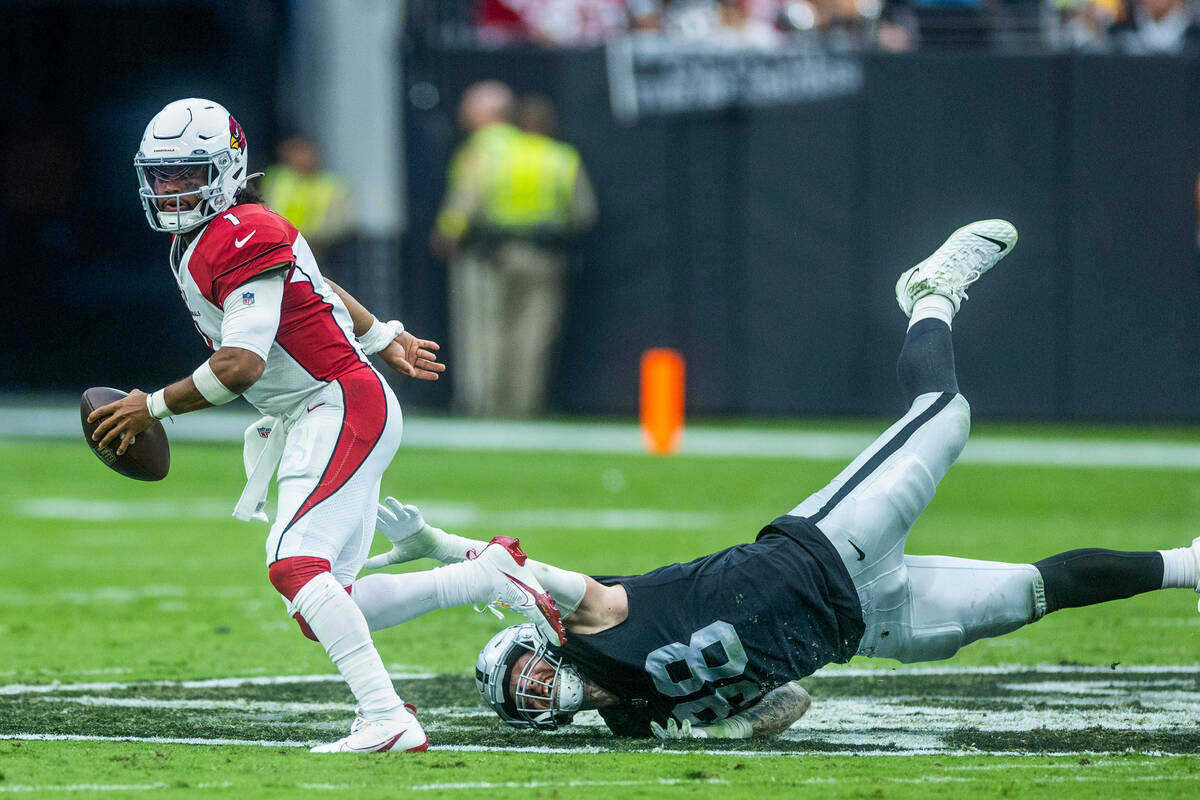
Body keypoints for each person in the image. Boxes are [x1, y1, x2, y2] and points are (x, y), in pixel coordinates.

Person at [362, 219, 1200, 738]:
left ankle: (930, 294)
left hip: (824, 551)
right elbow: (783, 702)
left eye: (528, 671)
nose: (543, 687)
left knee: (945, 415)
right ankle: (1190, 564)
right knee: (1026, 596)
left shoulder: (590, 619)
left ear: (537, 640)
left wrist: (440, 550)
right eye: (530, 698)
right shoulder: (640, 722)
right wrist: (727, 710)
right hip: (860, 628)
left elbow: (520, 573)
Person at [86, 98, 564, 753]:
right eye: (161, 175)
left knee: (292, 565)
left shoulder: (237, 231)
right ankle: (482, 576)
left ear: (226, 169)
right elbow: (320, 284)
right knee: (322, 601)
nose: (171, 189)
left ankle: (386, 717)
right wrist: (382, 333)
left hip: (333, 406)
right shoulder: (206, 238)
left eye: (187, 173)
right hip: (326, 404)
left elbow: (241, 365)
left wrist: (154, 406)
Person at [431, 81, 597, 418]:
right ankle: (523, 407)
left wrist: (447, 234)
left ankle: (483, 405)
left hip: (491, 253)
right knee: (534, 334)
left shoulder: (493, 152)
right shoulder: (561, 158)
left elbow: (468, 199)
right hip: (543, 254)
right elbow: (583, 214)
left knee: (485, 331)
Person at [260, 136, 354, 263]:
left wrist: (309, 239)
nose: (300, 157)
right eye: (294, 151)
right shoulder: (276, 179)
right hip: (280, 248)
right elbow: (263, 212)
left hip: (322, 252)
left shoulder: (332, 184)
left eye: (303, 151)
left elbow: (340, 223)